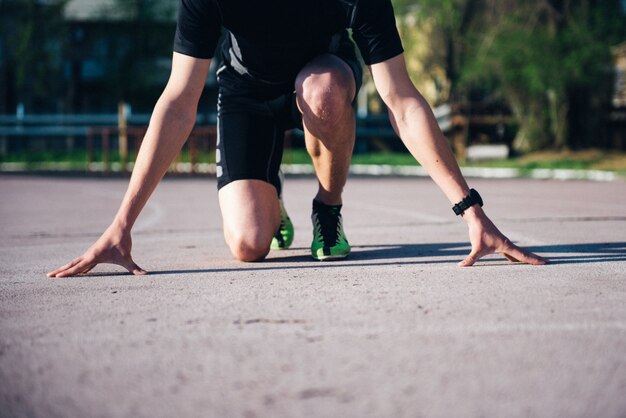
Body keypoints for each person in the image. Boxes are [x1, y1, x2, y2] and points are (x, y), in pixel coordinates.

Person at [47, 0, 546, 278]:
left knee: (325, 90)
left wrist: (470, 210)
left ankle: (327, 208)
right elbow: (178, 101)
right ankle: (271, 198)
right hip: (246, 92)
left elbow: (401, 98)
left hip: (321, 80)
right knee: (247, 243)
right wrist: (122, 223)